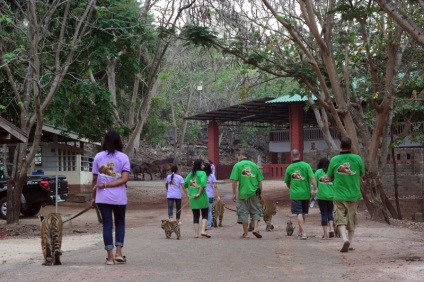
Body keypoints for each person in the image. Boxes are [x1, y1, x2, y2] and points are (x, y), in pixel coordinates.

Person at [91, 130, 130, 265]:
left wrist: (94, 197)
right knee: (120, 223)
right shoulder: (124, 157)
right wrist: (108, 184)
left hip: (102, 198)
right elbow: (124, 179)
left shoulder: (98, 157)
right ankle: (119, 252)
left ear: (105, 141)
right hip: (119, 198)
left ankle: (110, 258)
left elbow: (94, 180)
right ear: (119, 141)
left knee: (107, 225)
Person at [327, 136, 365, 252]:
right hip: (354, 194)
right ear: (351, 146)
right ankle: (351, 243)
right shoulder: (357, 159)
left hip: (339, 195)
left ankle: (344, 239)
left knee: (340, 218)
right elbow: (362, 175)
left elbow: (329, 177)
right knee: (351, 218)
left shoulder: (334, 160)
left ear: (340, 146)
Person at [230, 148, 264, 240]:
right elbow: (260, 181)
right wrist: (260, 193)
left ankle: (246, 234)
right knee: (256, 211)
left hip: (243, 193)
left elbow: (234, 181)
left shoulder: (237, 165)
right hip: (254, 192)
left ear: (240, 155)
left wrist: (234, 193)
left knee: (243, 212)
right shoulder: (254, 165)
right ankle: (256, 228)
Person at [284, 149, 317, 240]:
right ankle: (300, 231)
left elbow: (287, 182)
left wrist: (292, 188)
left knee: (298, 213)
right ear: (300, 155)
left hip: (295, 194)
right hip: (305, 193)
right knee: (303, 213)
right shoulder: (306, 166)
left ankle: (303, 232)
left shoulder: (289, 168)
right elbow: (312, 178)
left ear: (291, 156)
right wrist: (315, 188)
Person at [184, 159, 211, 238]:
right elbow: (203, 184)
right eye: (202, 164)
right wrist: (199, 193)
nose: (203, 166)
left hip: (193, 198)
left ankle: (196, 234)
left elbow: (185, 184)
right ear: (199, 165)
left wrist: (188, 194)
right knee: (205, 214)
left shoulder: (190, 174)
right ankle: (203, 230)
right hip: (202, 197)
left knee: (195, 215)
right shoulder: (203, 173)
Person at [315, 157, 335, 239]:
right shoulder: (332, 172)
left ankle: (325, 235)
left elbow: (314, 183)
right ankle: (331, 229)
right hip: (331, 195)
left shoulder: (318, 172)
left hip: (321, 196)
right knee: (330, 212)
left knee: (324, 214)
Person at [203, 162, 221, 230]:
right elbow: (215, 187)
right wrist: (218, 196)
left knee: (204, 211)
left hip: (203, 196)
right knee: (209, 211)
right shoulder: (212, 176)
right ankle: (209, 225)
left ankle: (204, 224)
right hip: (210, 195)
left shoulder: (202, 176)